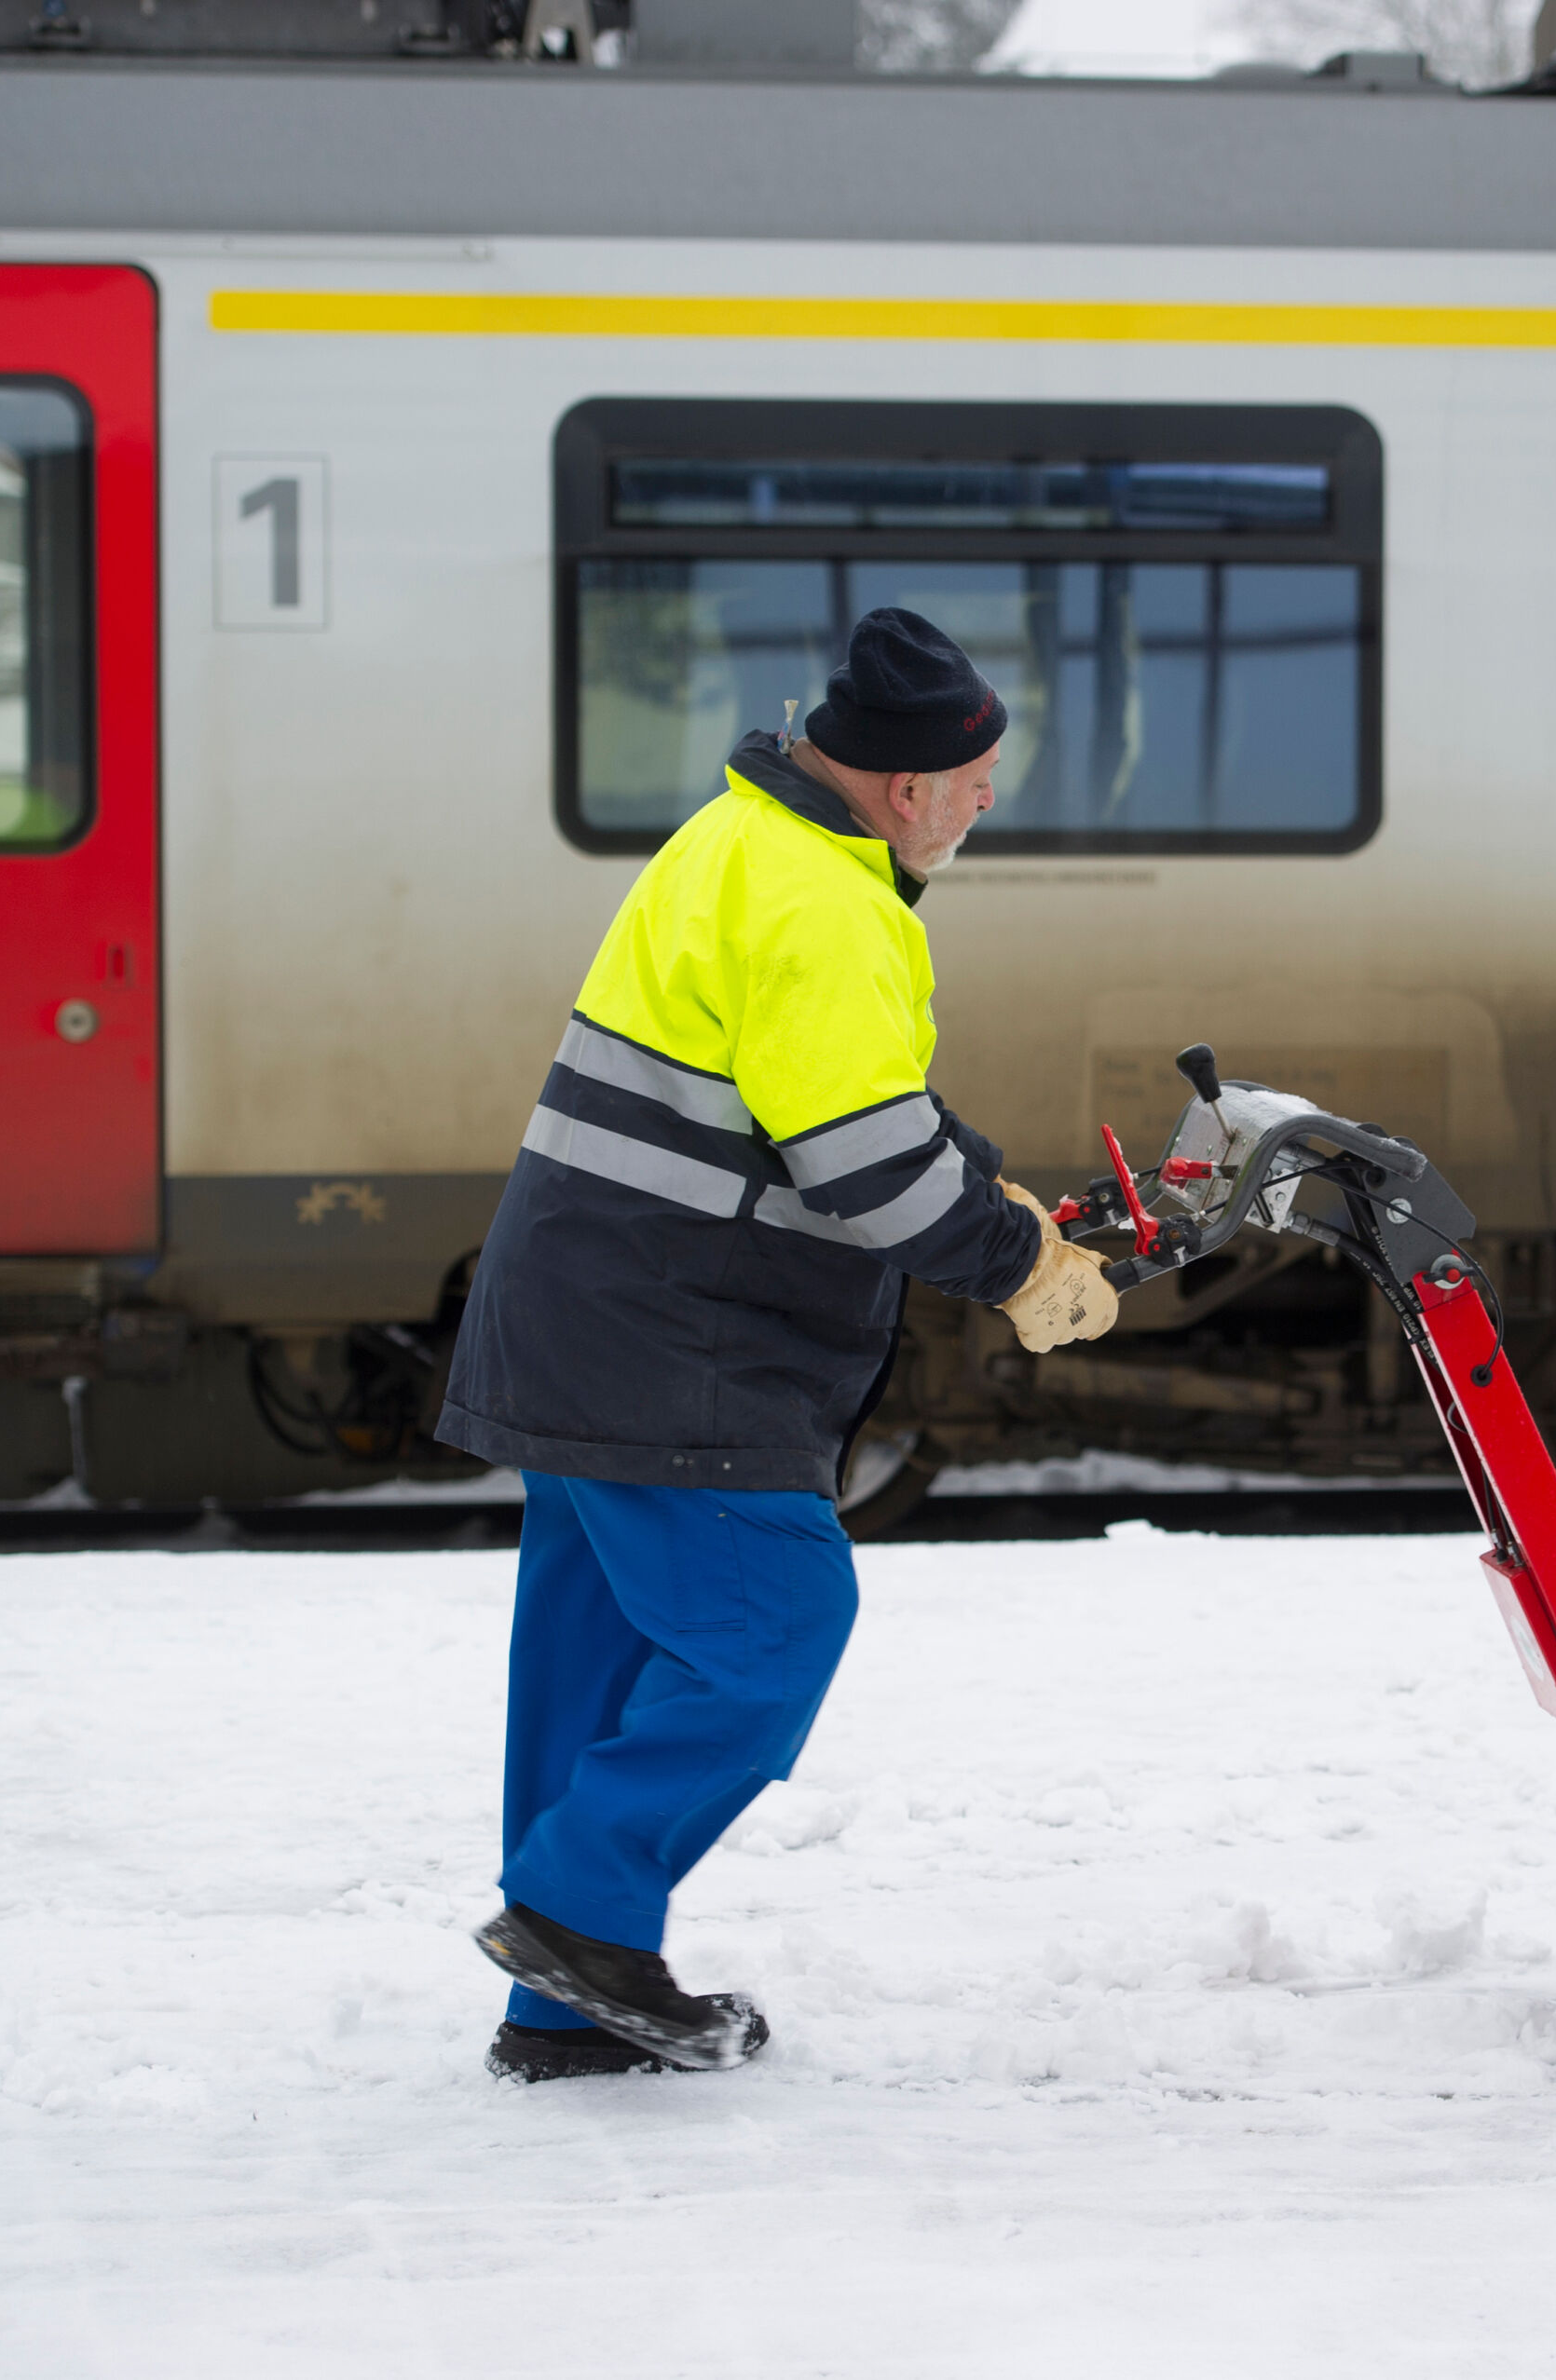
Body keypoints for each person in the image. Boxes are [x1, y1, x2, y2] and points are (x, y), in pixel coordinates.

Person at [436, 607, 1120, 2083]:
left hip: (580, 1310)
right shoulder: (826, 904)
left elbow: (826, 1097)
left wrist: (987, 1184)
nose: (987, 801)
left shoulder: (742, 839)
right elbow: (866, 1169)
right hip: (672, 1337)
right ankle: (577, 1915)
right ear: (904, 787)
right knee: (776, 1621)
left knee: (597, 1658)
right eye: (976, 778)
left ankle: (565, 2012)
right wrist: (1020, 1266)